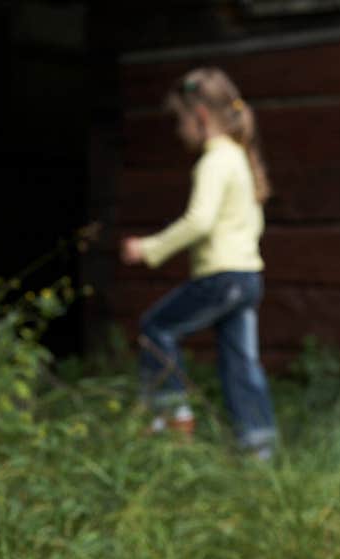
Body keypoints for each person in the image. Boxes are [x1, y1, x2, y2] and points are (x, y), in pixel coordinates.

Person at [120, 67, 278, 460]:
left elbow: (200, 221)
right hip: (247, 276)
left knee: (156, 327)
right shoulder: (239, 157)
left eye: (180, 120)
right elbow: (253, 221)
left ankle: (171, 420)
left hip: (222, 276)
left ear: (201, 117)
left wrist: (149, 248)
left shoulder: (213, 161)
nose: (178, 131)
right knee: (241, 361)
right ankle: (258, 446)